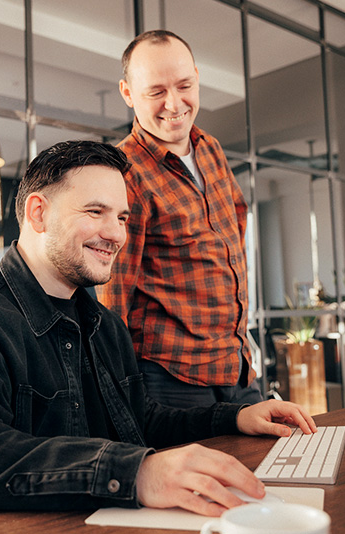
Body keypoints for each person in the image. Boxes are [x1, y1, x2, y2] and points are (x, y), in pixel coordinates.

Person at [0, 140, 316, 516]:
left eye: (121, 217)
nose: (116, 234)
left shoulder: (105, 325)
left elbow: (139, 420)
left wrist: (235, 417)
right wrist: (135, 473)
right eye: (95, 212)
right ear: (38, 213)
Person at [96, 30, 259, 409]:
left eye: (184, 85)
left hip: (237, 368)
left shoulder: (211, 149)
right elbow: (113, 297)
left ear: (198, 78)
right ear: (127, 93)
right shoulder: (124, 174)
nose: (174, 103)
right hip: (170, 380)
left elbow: (233, 238)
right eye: (156, 92)